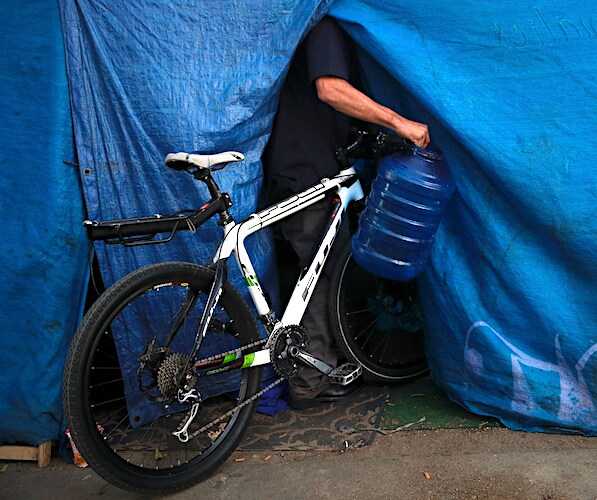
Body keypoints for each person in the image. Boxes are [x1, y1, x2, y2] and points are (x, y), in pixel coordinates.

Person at [262, 16, 430, 409]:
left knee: (319, 270)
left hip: (303, 166)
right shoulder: (324, 27)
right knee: (317, 276)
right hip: (306, 171)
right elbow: (330, 89)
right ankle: (310, 382)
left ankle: (316, 366)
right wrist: (398, 122)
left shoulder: (310, 25)